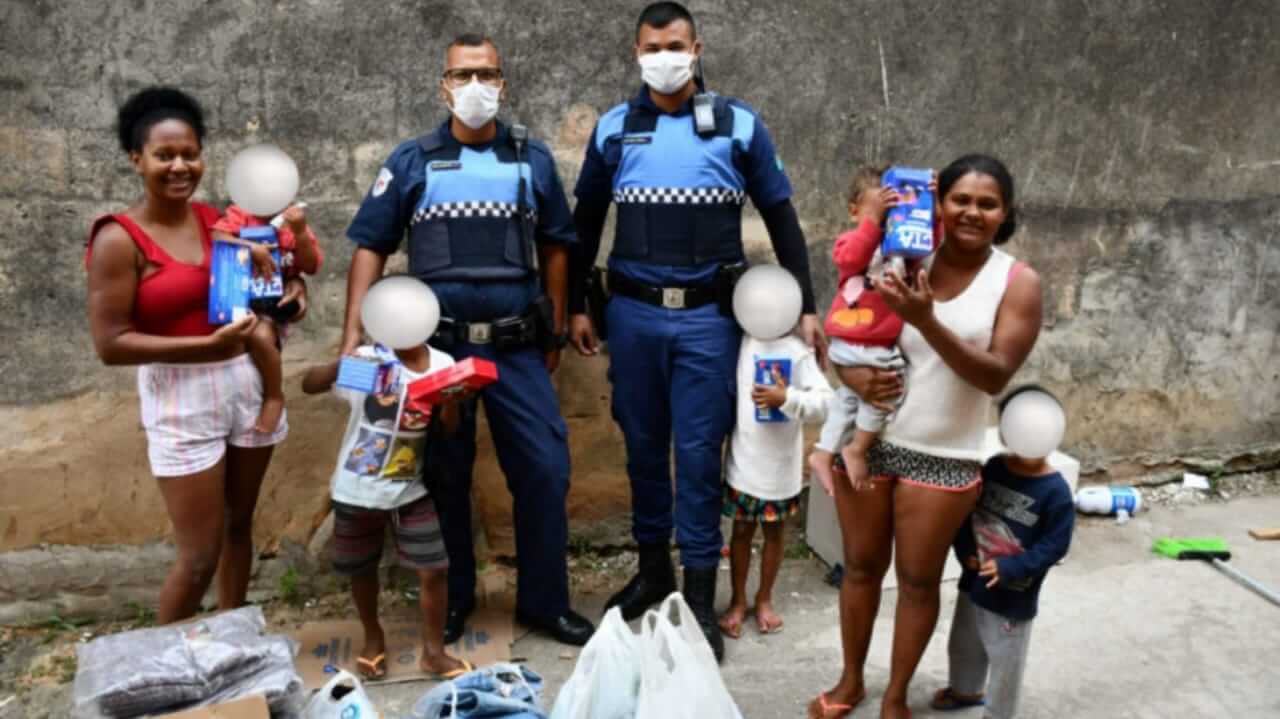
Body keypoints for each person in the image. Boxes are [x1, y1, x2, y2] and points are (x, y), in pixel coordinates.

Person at [567, 1, 824, 661]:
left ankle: (701, 597)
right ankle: (655, 573)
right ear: (636, 53)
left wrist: (807, 305)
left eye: (676, 43)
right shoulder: (616, 129)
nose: (666, 55)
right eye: (653, 45)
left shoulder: (738, 126)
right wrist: (575, 305)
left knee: (702, 451)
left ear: (697, 46)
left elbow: (781, 214)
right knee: (644, 447)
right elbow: (586, 221)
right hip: (634, 316)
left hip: (711, 319)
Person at [342, 34, 593, 646]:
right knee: (445, 478)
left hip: (515, 347)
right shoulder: (412, 161)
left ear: (503, 83)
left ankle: (544, 602)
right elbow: (372, 245)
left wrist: (555, 327)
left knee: (544, 470)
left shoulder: (531, 160)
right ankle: (452, 602)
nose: (474, 87)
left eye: (486, 75)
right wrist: (352, 332)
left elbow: (558, 244)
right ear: (443, 85)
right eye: (462, 76)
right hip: (439, 353)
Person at [810, 154, 1043, 719]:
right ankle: (850, 682)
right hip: (872, 443)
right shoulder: (901, 253)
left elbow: (993, 374)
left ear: (1005, 213)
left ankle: (895, 695)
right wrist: (849, 375)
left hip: (943, 455)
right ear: (938, 204)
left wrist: (927, 319)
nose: (971, 211)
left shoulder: (1016, 282)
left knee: (917, 581)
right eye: (960, 199)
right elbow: (848, 327)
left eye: (987, 203)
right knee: (860, 569)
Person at [85, 86, 308, 624]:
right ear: (137, 159)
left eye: (190, 153)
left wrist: (294, 296)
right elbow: (111, 344)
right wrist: (202, 347)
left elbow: (269, 280)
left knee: (238, 526)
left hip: (246, 380)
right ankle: (163, 672)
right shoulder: (119, 239)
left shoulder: (219, 222)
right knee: (199, 554)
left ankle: (234, 641)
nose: (180, 165)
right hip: (179, 393)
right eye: (165, 155)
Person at [301, 280, 471, 681]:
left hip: (410, 488)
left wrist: (449, 403)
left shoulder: (443, 364)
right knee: (362, 569)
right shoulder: (370, 361)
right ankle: (373, 638)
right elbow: (309, 385)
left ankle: (434, 651)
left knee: (434, 568)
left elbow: (448, 429)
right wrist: (340, 363)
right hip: (356, 489)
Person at [930, 386, 1074, 719]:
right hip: (974, 580)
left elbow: (1055, 546)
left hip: (1013, 595)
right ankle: (965, 690)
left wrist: (1014, 567)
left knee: (1006, 662)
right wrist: (965, 550)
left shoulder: (1056, 493)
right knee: (965, 643)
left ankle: (998, 714)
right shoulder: (994, 468)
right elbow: (968, 511)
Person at [808, 166, 937, 496]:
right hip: (856, 340)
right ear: (854, 212)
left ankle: (823, 451)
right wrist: (872, 223)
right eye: (879, 210)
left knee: (848, 399)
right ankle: (857, 449)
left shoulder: (903, 255)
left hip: (868, 343)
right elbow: (851, 259)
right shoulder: (850, 241)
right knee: (888, 389)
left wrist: (930, 208)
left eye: (892, 212)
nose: (886, 220)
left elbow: (929, 243)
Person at [717, 283, 832, 639]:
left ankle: (764, 598)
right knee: (739, 532)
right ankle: (738, 601)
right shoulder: (740, 342)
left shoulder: (798, 352)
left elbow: (826, 402)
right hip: (744, 463)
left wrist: (789, 398)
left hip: (780, 466)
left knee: (774, 534)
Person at [212, 201, 322, 433]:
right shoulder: (241, 213)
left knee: (261, 337)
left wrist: (300, 232)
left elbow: (310, 266)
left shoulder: (292, 222)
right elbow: (217, 237)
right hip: (239, 295)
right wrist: (249, 247)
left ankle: (274, 396)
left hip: (274, 302)